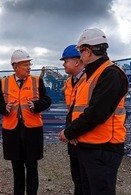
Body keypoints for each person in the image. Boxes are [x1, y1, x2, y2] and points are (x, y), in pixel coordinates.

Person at [58, 28, 129, 195]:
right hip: (88, 145)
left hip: (104, 148)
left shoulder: (111, 74)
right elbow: (76, 110)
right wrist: (73, 133)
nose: (80, 57)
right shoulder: (90, 76)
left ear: (88, 51)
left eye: (80, 51)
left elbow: (97, 112)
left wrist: (69, 133)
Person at [0, 49, 51, 195]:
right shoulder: (4, 82)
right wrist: (4, 108)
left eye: (29, 64)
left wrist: (37, 105)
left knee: (32, 166)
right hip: (13, 132)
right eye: (25, 65)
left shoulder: (37, 81)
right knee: (17, 167)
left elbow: (47, 100)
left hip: (32, 131)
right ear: (15, 66)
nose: (29, 67)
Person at [60, 44, 85, 195]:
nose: (63, 64)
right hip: (73, 137)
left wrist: (74, 132)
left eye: (66, 60)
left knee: (87, 180)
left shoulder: (90, 79)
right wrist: (70, 132)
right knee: (77, 178)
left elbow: (89, 111)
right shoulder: (69, 82)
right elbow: (71, 111)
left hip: (86, 137)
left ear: (77, 61)